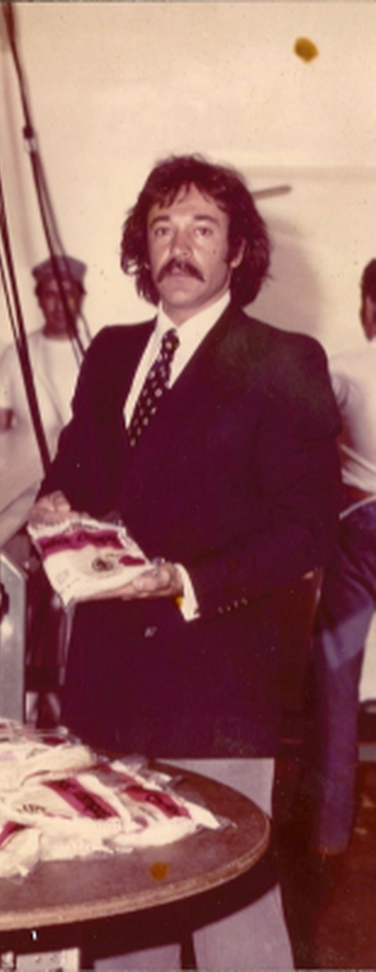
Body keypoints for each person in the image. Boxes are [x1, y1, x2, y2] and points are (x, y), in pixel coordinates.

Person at [28, 155, 340, 968]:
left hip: (219, 684)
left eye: (204, 228)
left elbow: (308, 529)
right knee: (129, 909)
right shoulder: (110, 353)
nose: (180, 246)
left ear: (238, 253)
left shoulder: (284, 361)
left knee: (236, 921)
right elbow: (78, 469)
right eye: (163, 228)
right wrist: (56, 500)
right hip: (105, 685)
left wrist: (185, 581)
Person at [305, 258, 376, 858]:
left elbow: (307, 443)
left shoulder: (345, 368)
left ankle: (329, 835)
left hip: (361, 531)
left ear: (368, 306)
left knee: (335, 681)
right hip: (360, 528)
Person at [0, 254, 87, 446]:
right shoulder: (16, 355)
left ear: (79, 298)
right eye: (51, 295)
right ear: (39, 300)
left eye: (68, 294)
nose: (60, 305)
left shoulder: (101, 355)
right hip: (26, 473)